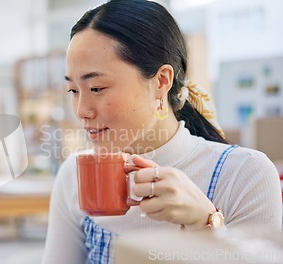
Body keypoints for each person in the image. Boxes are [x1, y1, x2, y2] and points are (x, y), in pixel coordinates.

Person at [41, 0, 282, 263]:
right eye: (73, 91)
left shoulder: (244, 174)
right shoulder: (73, 176)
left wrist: (206, 224)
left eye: (96, 88)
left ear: (161, 82)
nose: (81, 110)